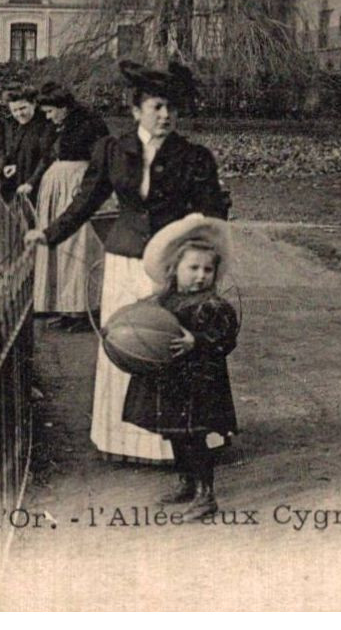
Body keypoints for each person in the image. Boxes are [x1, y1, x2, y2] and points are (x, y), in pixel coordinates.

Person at [24, 60, 230, 463]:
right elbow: (86, 200)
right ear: (136, 110)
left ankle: (182, 446)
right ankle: (123, 442)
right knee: (126, 341)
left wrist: (202, 261)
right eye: (156, 106)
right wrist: (49, 234)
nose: (165, 115)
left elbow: (212, 217)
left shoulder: (195, 157)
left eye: (172, 108)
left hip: (175, 267)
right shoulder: (113, 151)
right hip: (124, 261)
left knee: (172, 343)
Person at [123, 215, 240, 518]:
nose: (201, 276)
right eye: (193, 268)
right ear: (174, 269)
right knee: (176, 434)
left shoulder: (213, 306)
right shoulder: (165, 300)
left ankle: (206, 494)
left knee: (194, 436)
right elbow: (150, 327)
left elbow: (226, 339)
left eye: (208, 270)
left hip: (198, 384)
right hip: (170, 383)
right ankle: (186, 481)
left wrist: (197, 342)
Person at [24, 82, 109, 329]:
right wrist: (34, 182)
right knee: (58, 250)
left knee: (77, 245)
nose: (48, 117)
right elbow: (48, 157)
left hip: (75, 187)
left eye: (51, 111)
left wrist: (81, 184)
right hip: (55, 189)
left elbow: (100, 160)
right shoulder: (56, 126)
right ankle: (63, 306)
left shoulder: (89, 123)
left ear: (63, 107)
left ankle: (82, 308)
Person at [0, 88, 50, 210]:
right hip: (23, 185)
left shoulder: (45, 126)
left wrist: (31, 182)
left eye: (23, 108)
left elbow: (47, 157)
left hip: (40, 185)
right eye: (14, 110)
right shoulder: (20, 126)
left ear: (33, 104)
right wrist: (12, 165)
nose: (19, 114)